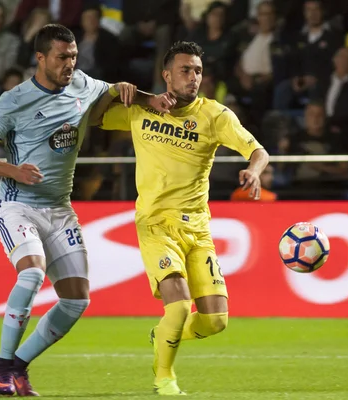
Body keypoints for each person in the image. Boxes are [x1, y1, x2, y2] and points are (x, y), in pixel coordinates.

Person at [0, 23, 171, 397]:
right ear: (41, 57)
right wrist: (15, 170)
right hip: (18, 206)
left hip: (60, 210)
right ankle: (2, 369)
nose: (70, 64)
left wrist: (145, 97)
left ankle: (19, 367)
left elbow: (113, 91)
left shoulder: (81, 83)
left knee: (77, 299)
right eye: (62, 57)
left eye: (74, 56)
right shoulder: (13, 101)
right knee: (31, 276)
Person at [90, 41, 270, 395]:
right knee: (178, 305)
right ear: (167, 75)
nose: (193, 77)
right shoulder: (142, 111)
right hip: (155, 224)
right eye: (185, 70)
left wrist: (255, 171)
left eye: (198, 71)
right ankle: (164, 378)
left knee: (216, 321)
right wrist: (116, 91)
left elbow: (258, 150)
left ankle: (164, 336)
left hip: (198, 230)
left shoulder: (215, 115)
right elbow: (95, 117)